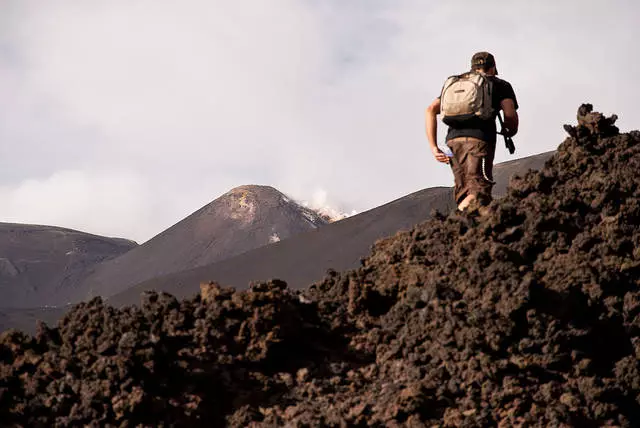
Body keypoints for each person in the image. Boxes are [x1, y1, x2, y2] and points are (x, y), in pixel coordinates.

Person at [425, 52, 519, 211]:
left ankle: (464, 227)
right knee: (479, 189)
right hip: (479, 142)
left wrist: (434, 147)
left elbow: (430, 110)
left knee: (464, 190)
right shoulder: (499, 84)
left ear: (473, 67)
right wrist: (510, 131)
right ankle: (462, 224)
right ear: (493, 67)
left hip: (452, 143)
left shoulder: (457, 83)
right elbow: (509, 114)